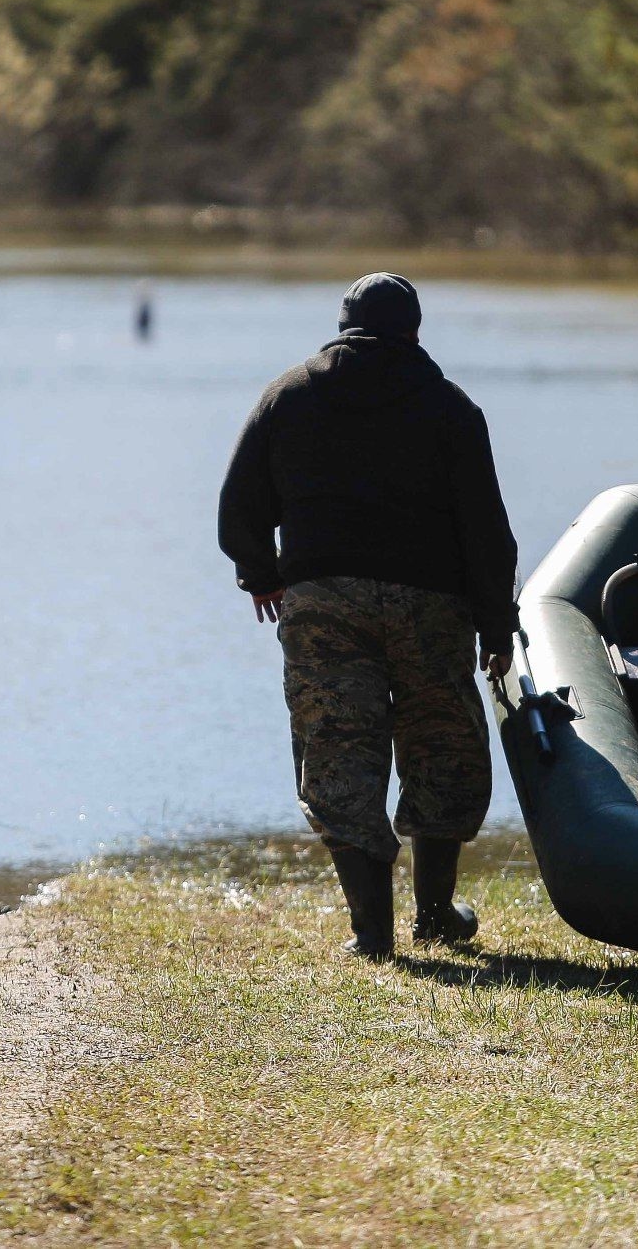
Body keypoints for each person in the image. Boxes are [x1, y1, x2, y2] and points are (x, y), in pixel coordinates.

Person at [218, 273, 518, 959]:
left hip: (323, 602)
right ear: (415, 331)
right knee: (441, 745)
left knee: (337, 749)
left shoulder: (288, 396)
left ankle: (371, 935)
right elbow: (487, 535)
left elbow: (239, 503)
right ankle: (436, 914)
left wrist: (261, 575)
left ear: (344, 325)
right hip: (432, 606)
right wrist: (496, 628)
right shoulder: (451, 409)